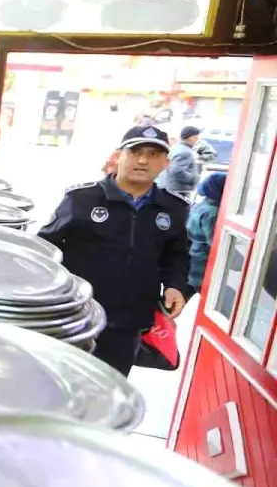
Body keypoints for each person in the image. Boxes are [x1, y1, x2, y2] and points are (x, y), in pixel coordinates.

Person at [38, 126, 195, 377]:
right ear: (118, 156)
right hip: (76, 314)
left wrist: (176, 286)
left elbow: (176, 255)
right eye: (135, 152)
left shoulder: (173, 208)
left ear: (166, 163)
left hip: (129, 322)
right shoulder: (82, 199)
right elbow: (45, 247)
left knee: (108, 388)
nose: (143, 160)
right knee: (57, 382)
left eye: (153, 154)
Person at [188, 172, 228, 292]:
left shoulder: (200, 206)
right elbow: (215, 242)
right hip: (202, 264)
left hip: (192, 258)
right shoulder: (212, 213)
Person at [158, 126, 201, 197]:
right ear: (191, 137)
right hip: (177, 191)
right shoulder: (185, 152)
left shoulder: (174, 147)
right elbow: (176, 171)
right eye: (197, 137)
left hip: (167, 187)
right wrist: (193, 178)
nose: (197, 139)